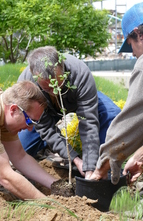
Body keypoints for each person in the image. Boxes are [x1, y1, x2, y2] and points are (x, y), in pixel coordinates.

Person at [18, 46, 121, 179]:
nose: (54, 92)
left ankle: (102, 163)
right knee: (23, 147)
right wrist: (75, 159)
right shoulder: (27, 84)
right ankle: (49, 148)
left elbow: (88, 122)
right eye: (47, 88)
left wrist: (89, 166)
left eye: (57, 86)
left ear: (63, 68)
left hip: (78, 100)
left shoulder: (80, 73)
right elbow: (45, 128)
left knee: (112, 114)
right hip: (46, 111)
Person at [90, 1, 143, 184]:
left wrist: (102, 165)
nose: (133, 54)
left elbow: (130, 123)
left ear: (139, 35)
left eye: (130, 45)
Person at [0, 80, 56, 200]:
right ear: (13, 110)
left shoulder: (3, 110)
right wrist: (48, 204)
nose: (30, 129)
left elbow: (20, 157)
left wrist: (56, 185)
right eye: (29, 121)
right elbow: (4, 176)